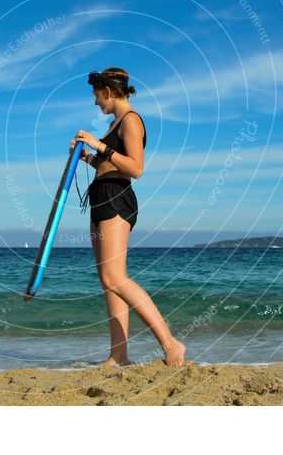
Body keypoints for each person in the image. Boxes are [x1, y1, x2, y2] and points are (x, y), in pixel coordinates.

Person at [70, 67, 187, 368]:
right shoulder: (114, 123)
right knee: (107, 281)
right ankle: (118, 354)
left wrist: (99, 145)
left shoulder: (131, 120)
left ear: (107, 92)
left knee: (116, 277)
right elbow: (109, 164)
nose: (96, 103)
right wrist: (88, 157)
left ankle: (171, 344)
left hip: (116, 198)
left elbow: (135, 168)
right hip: (99, 196)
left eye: (97, 96)